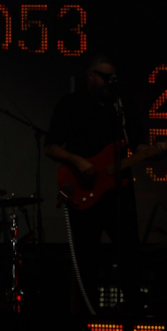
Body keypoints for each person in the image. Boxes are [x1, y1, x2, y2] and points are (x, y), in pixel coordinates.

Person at [44, 54, 165, 313]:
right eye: (105, 76)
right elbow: (51, 147)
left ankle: (133, 315)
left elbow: (136, 144)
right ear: (90, 75)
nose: (110, 81)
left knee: (130, 255)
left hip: (119, 192)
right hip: (84, 192)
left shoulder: (121, 105)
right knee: (87, 259)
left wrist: (152, 152)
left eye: (113, 77)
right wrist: (78, 161)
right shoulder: (71, 104)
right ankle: (87, 318)